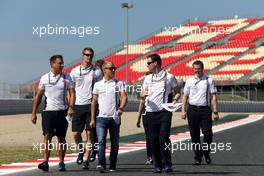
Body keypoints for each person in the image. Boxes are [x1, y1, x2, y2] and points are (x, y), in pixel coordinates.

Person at [31, 55, 75, 172]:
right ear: (52, 64)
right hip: (47, 112)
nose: (62, 65)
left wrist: (71, 107)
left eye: (62, 63)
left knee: (61, 138)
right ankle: (45, 162)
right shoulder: (45, 78)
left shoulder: (67, 78)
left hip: (62, 112)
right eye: (59, 63)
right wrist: (33, 113)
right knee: (47, 136)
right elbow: (38, 96)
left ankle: (61, 162)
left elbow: (72, 93)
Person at [141, 54, 180, 173]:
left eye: (148, 63)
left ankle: (167, 163)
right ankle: (157, 164)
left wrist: (174, 101)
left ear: (155, 63)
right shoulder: (147, 78)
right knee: (153, 140)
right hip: (150, 112)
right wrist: (143, 95)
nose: (147, 65)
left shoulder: (170, 77)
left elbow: (177, 92)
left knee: (163, 139)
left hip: (164, 112)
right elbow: (142, 94)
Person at [90, 61, 128, 172]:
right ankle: (101, 164)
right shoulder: (97, 85)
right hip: (101, 118)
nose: (113, 70)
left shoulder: (118, 83)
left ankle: (112, 164)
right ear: (104, 69)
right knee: (101, 141)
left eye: (114, 68)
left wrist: (121, 108)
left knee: (115, 143)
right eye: (111, 68)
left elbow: (124, 97)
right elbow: (94, 102)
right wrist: (92, 118)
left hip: (114, 118)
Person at [69, 48, 103, 169]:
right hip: (78, 105)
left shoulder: (97, 71)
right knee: (76, 134)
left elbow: (100, 88)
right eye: (86, 55)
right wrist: (70, 106)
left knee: (90, 134)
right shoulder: (74, 71)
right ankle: (80, 150)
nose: (88, 57)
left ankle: (86, 160)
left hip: (91, 106)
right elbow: (71, 91)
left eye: (90, 55)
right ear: (82, 55)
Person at [181, 60, 219, 165]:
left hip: (205, 110)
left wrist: (215, 111)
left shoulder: (209, 80)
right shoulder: (189, 81)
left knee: (208, 134)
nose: (197, 70)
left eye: (199, 68)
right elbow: (185, 96)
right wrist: (183, 111)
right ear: (193, 69)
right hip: (192, 110)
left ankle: (206, 152)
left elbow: (213, 96)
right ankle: (197, 157)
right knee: (194, 135)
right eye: (195, 68)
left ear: (203, 68)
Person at [89, 59, 105, 163]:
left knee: (100, 133)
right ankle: (94, 151)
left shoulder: (108, 79)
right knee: (93, 131)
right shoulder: (93, 77)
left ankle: (97, 152)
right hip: (93, 104)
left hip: (103, 107)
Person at [136, 71, 153, 165]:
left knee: (154, 136)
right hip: (146, 114)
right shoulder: (144, 89)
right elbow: (142, 103)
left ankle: (154, 156)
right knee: (149, 136)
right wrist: (138, 118)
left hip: (155, 113)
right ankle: (150, 156)